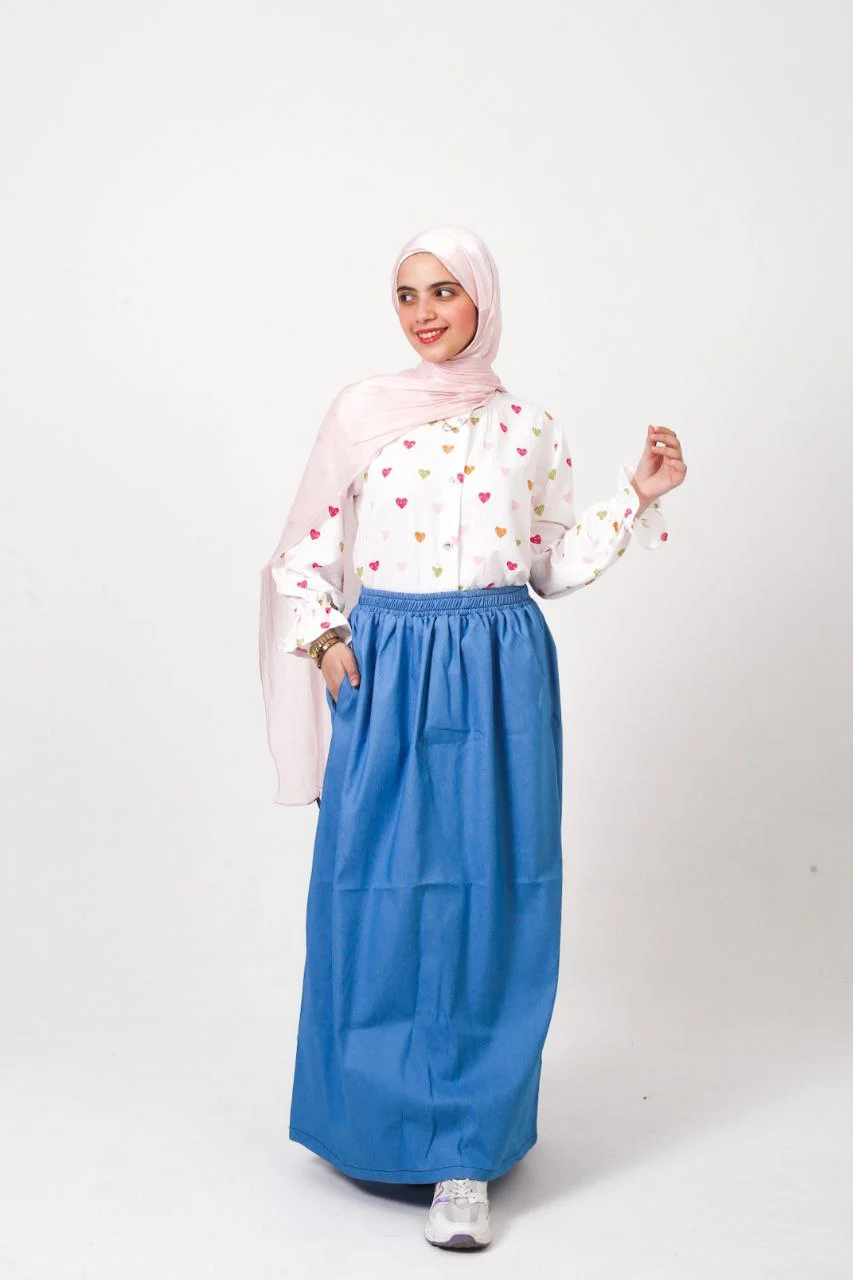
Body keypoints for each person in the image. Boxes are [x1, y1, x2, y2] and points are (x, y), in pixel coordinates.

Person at [258, 224, 686, 1250]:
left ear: (482, 298)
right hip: (388, 662)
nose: (424, 313)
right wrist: (325, 638)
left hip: (498, 670)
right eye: (407, 295)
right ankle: (367, 1119)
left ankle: (465, 1149)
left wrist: (633, 497)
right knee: (371, 888)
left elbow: (549, 564)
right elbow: (304, 548)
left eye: (444, 291)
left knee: (495, 891)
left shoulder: (528, 427)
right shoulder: (361, 414)